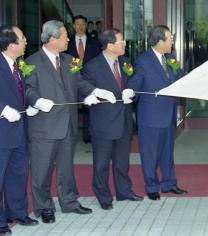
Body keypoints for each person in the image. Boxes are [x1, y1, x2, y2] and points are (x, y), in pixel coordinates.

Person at [25, 20, 116, 223]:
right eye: (65, 35)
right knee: (42, 171)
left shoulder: (69, 60)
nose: (69, 38)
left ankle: (69, 202)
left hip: (68, 125)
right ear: (51, 39)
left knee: (66, 168)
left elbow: (80, 83)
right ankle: (44, 207)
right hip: (44, 127)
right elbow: (28, 89)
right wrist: (37, 101)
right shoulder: (31, 62)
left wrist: (94, 92)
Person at [81, 29, 143, 210]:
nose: (124, 44)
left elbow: (133, 81)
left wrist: (131, 91)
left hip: (124, 120)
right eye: (121, 41)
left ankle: (124, 191)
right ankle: (103, 196)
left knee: (122, 161)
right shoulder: (92, 66)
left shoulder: (124, 62)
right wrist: (93, 94)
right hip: (103, 123)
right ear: (109, 45)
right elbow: (84, 88)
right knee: (101, 163)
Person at [128, 25, 187, 200]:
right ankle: (152, 186)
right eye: (170, 39)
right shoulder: (143, 60)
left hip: (168, 114)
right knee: (150, 154)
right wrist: (130, 91)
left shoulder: (171, 59)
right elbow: (136, 80)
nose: (172, 42)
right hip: (150, 116)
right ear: (160, 41)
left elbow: (180, 77)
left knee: (167, 152)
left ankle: (169, 183)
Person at [0, 26, 39, 235]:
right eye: (23, 38)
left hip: (19, 130)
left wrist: (29, 106)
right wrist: (3, 110)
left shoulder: (18, 65)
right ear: (11, 44)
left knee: (17, 174)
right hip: (2, 131)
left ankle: (17, 212)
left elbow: (21, 92)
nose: (26, 41)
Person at [67, 15, 101, 144]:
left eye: (82, 24)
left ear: (86, 25)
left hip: (89, 79)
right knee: (71, 107)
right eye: (77, 24)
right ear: (73, 26)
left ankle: (88, 135)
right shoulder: (67, 42)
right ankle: (70, 135)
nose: (80, 26)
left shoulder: (95, 42)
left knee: (89, 107)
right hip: (71, 79)